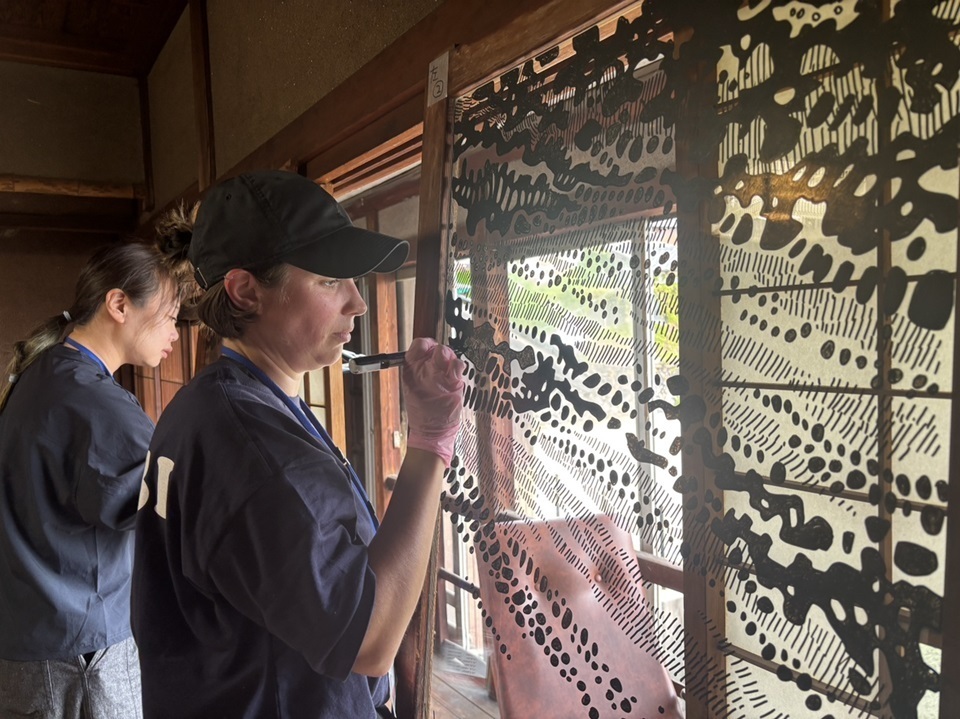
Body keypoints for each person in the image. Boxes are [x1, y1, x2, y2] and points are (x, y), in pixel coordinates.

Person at [131, 170, 465, 719]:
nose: (357, 303)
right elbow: (370, 639)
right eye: (330, 282)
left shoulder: (216, 404)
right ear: (246, 290)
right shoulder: (250, 445)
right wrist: (431, 441)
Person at [0, 240, 187, 719]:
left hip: (32, 631)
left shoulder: (44, 371)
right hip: (78, 649)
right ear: (119, 304)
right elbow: (170, 503)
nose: (175, 334)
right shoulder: (92, 399)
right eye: (169, 317)